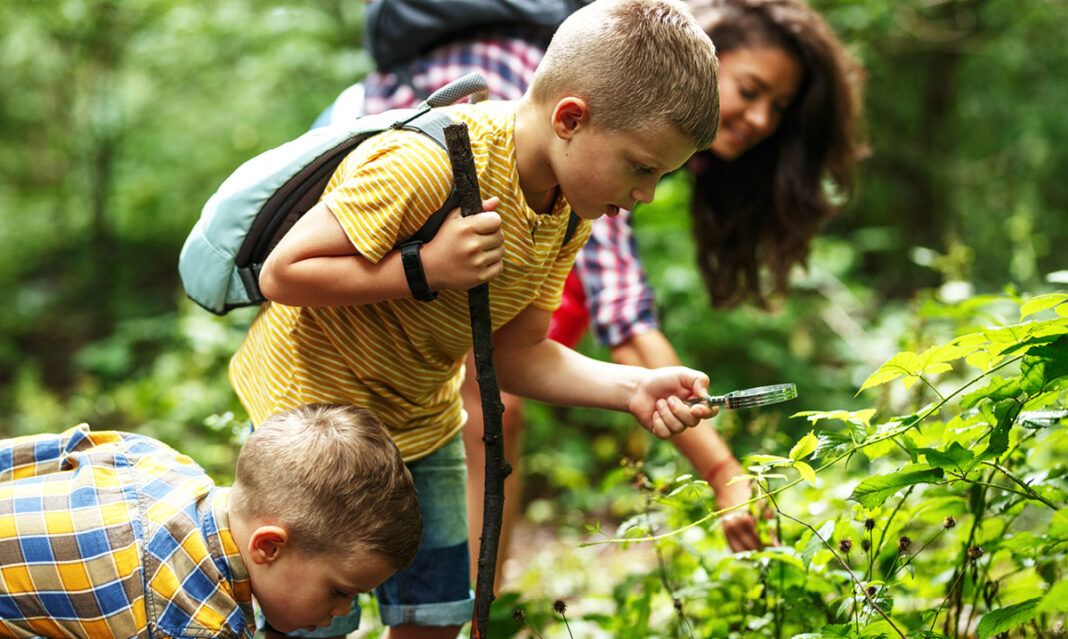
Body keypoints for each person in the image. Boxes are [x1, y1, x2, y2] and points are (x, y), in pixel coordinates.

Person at [317, 0, 866, 574]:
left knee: (505, 382)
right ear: (704, 57)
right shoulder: (592, 116)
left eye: (777, 108)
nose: (760, 119)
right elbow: (623, 312)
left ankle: (476, 608)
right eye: (751, 90)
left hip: (448, 249)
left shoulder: (623, 148)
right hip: (362, 186)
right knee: (490, 408)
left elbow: (530, 344)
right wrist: (722, 472)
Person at [227, 0, 721, 637]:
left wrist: (632, 388)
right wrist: (425, 268)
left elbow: (519, 353)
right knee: (309, 614)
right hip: (315, 420)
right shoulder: (426, 164)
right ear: (572, 118)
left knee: (436, 616)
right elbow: (283, 273)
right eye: (642, 167)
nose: (646, 194)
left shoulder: (568, 210)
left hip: (423, 419)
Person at [0, 403, 421, 639]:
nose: (343, 611)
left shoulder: (161, 461)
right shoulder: (194, 622)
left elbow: (40, 454)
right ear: (268, 546)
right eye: (338, 590)